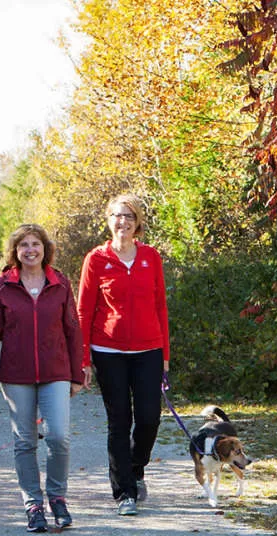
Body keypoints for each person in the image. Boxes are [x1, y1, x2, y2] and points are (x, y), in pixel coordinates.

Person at [0, 224, 82, 533]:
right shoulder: (1, 286)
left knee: (59, 436)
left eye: (35, 243)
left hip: (56, 373)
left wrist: (77, 373)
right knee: (25, 442)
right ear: (15, 251)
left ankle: (58, 497)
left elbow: (73, 330)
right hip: (16, 375)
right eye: (23, 244)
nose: (30, 249)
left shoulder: (60, 283)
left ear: (44, 248)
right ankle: (33, 505)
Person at [77, 194, 170, 516]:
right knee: (119, 421)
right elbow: (83, 311)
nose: (123, 221)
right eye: (118, 216)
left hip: (149, 350)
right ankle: (124, 492)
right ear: (109, 220)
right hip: (108, 351)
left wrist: (166, 353)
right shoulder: (96, 259)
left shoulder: (151, 257)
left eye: (129, 216)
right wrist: (83, 359)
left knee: (149, 418)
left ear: (137, 222)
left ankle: (136, 466)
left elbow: (160, 307)